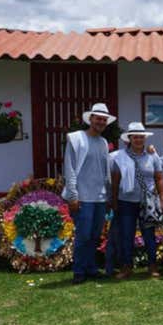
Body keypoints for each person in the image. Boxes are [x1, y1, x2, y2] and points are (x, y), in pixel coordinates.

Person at [62, 102, 114, 285]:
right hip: (83, 197)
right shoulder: (76, 139)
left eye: (103, 119)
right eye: (97, 118)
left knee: (94, 236)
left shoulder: (103, 142)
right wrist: (73, 195)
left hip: (99, 197)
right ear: (90, 119)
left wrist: (108, 196)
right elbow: (69, 169)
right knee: (83, 235)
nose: (100, 122)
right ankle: (79, 270)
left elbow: (105, 172)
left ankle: (91, 268)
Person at [109, 122, 163, 279]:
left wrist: (161, 199)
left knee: (149, 235)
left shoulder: (152, 157)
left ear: (144, 138)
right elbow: (115, 181)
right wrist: (114, 201)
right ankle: (126, 267)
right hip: (126, 202)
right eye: (135, 137)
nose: (138, 140)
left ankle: (152, 265)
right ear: (129, 139)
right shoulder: (120, 157)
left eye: (141, 137)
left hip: (148, 203)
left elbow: (159, 178)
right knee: (126, 235)